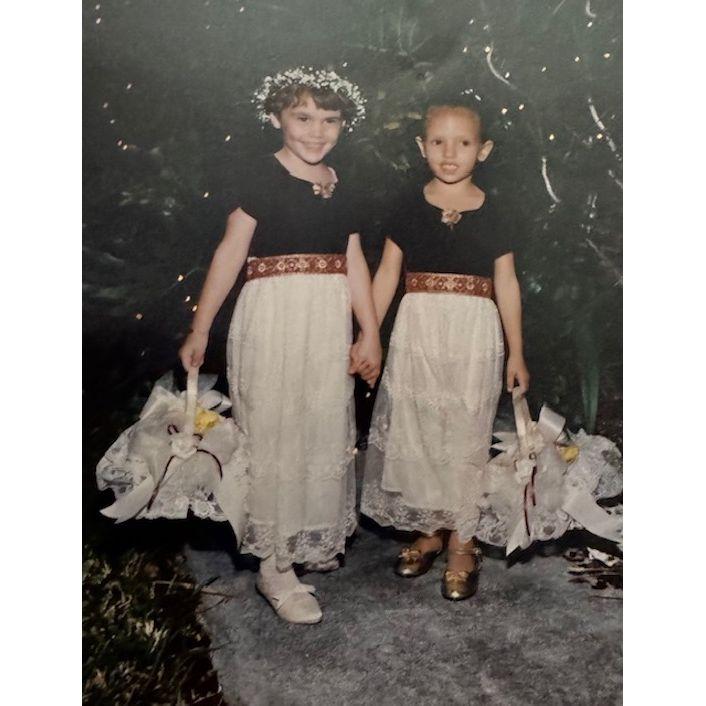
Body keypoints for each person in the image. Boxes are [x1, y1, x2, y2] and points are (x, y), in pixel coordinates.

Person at [179, 67, 381, 624]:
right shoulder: (260, 177)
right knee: (274, 432)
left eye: (330, 120)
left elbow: (354, 260)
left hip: (326, 322)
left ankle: (303, 535)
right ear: (275, 118)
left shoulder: (341, 182)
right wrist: (201, 327)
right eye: (303, 117)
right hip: (273, 320)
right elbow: (230, 253)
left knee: (320, 428)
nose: (317, 131)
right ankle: (273, 565)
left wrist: (369, 331)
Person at [360, 103, 530, 600]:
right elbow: (387, 273)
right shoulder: (406, 206)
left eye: (463, 143)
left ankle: (463, 539)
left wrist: (517, 351)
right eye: (438, 141)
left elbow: (507, 282)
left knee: (465, 429)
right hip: (418, 329)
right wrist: (368, 334)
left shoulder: (496, 209)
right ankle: (430, 530)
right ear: (422, 147)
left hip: (474, 333)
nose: (450, 153)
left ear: (484, 150)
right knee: (419, 427)